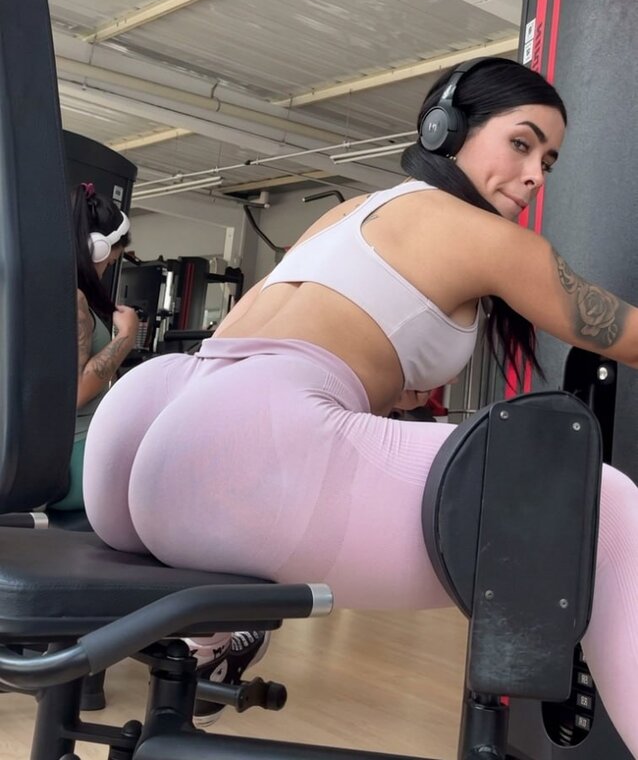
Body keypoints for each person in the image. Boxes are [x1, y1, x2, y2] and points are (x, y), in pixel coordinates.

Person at [83, 58, 638, 754]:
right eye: (521, 143)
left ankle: (213, 636)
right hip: (242, 449)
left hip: (147, 424)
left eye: (547, 162)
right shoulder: (490, 238)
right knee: (604, 508)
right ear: (445, 131)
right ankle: (218, 625)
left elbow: (309, 338)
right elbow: (625, 335)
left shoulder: (349, 212)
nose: (534, 176)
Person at [49, 183, 138, 512]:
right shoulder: (73, 300)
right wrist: (125, 336)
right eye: (109, 263)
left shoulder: (41, 292)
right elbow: (75, 393)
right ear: (95, 249)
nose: (106, 270)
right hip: (76, 460)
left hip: (58, 453)